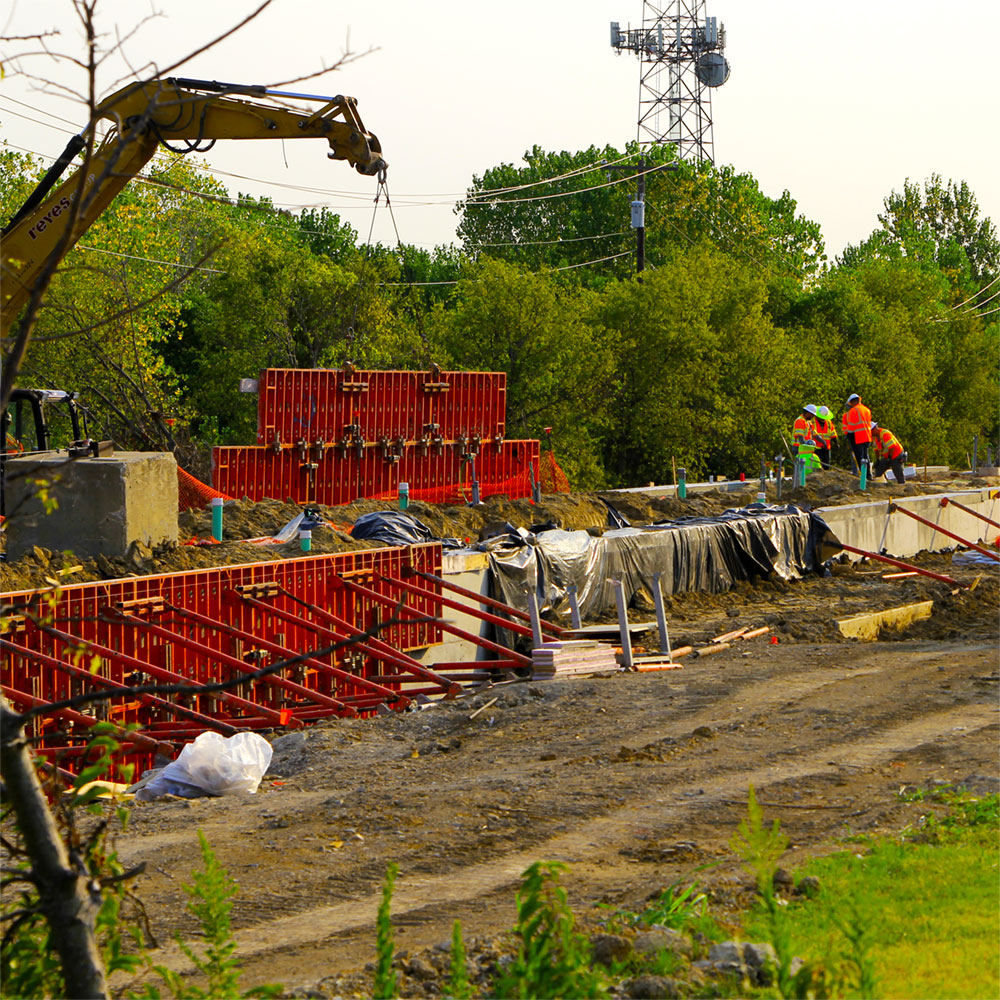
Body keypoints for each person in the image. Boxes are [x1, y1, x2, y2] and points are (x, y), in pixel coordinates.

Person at [841, 393, 873, 471]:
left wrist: (848, 436)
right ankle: (868, 474)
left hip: (858, 437)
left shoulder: (853, 410)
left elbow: (851, 427)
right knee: (866, 457)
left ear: (852, 402)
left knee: (860, 458)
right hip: (867, 436)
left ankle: (863, 475)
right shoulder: (867, 410)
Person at [812, 405, 838, 470]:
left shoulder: (829, 422)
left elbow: (833, 433)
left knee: (826, 464)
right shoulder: (812, 421)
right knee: (816, 464)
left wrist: (836, 443)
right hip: (816, 447)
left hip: (826, 447)